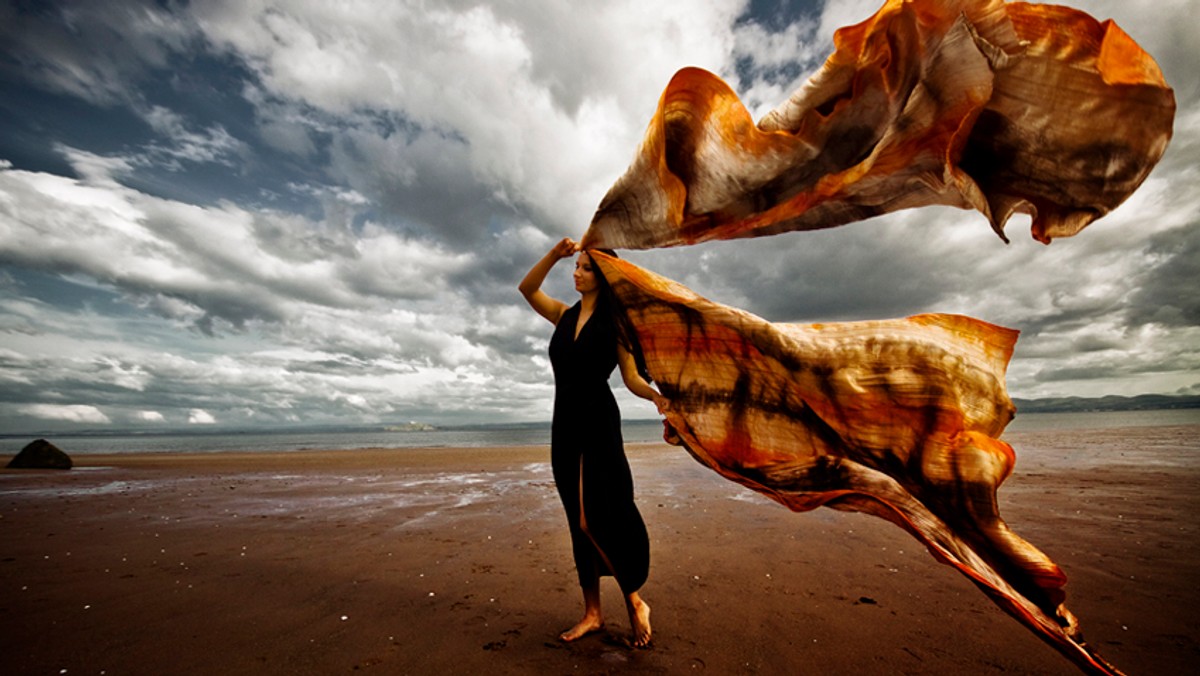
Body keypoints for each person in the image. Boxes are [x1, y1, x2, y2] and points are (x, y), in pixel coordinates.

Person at [519, 237, 668, 648]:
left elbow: (632, 377)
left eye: (584, 267)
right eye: (577, 266)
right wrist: (554, 253)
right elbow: (526, 289)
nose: (576, 272)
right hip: (564, 425)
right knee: (577, 523)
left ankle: (636, 601)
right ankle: (593, 614)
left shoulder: (615, 324)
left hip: (599, 424)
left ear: (601, 276)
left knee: (599, 517)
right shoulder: (563, 316)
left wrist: (654, 396)